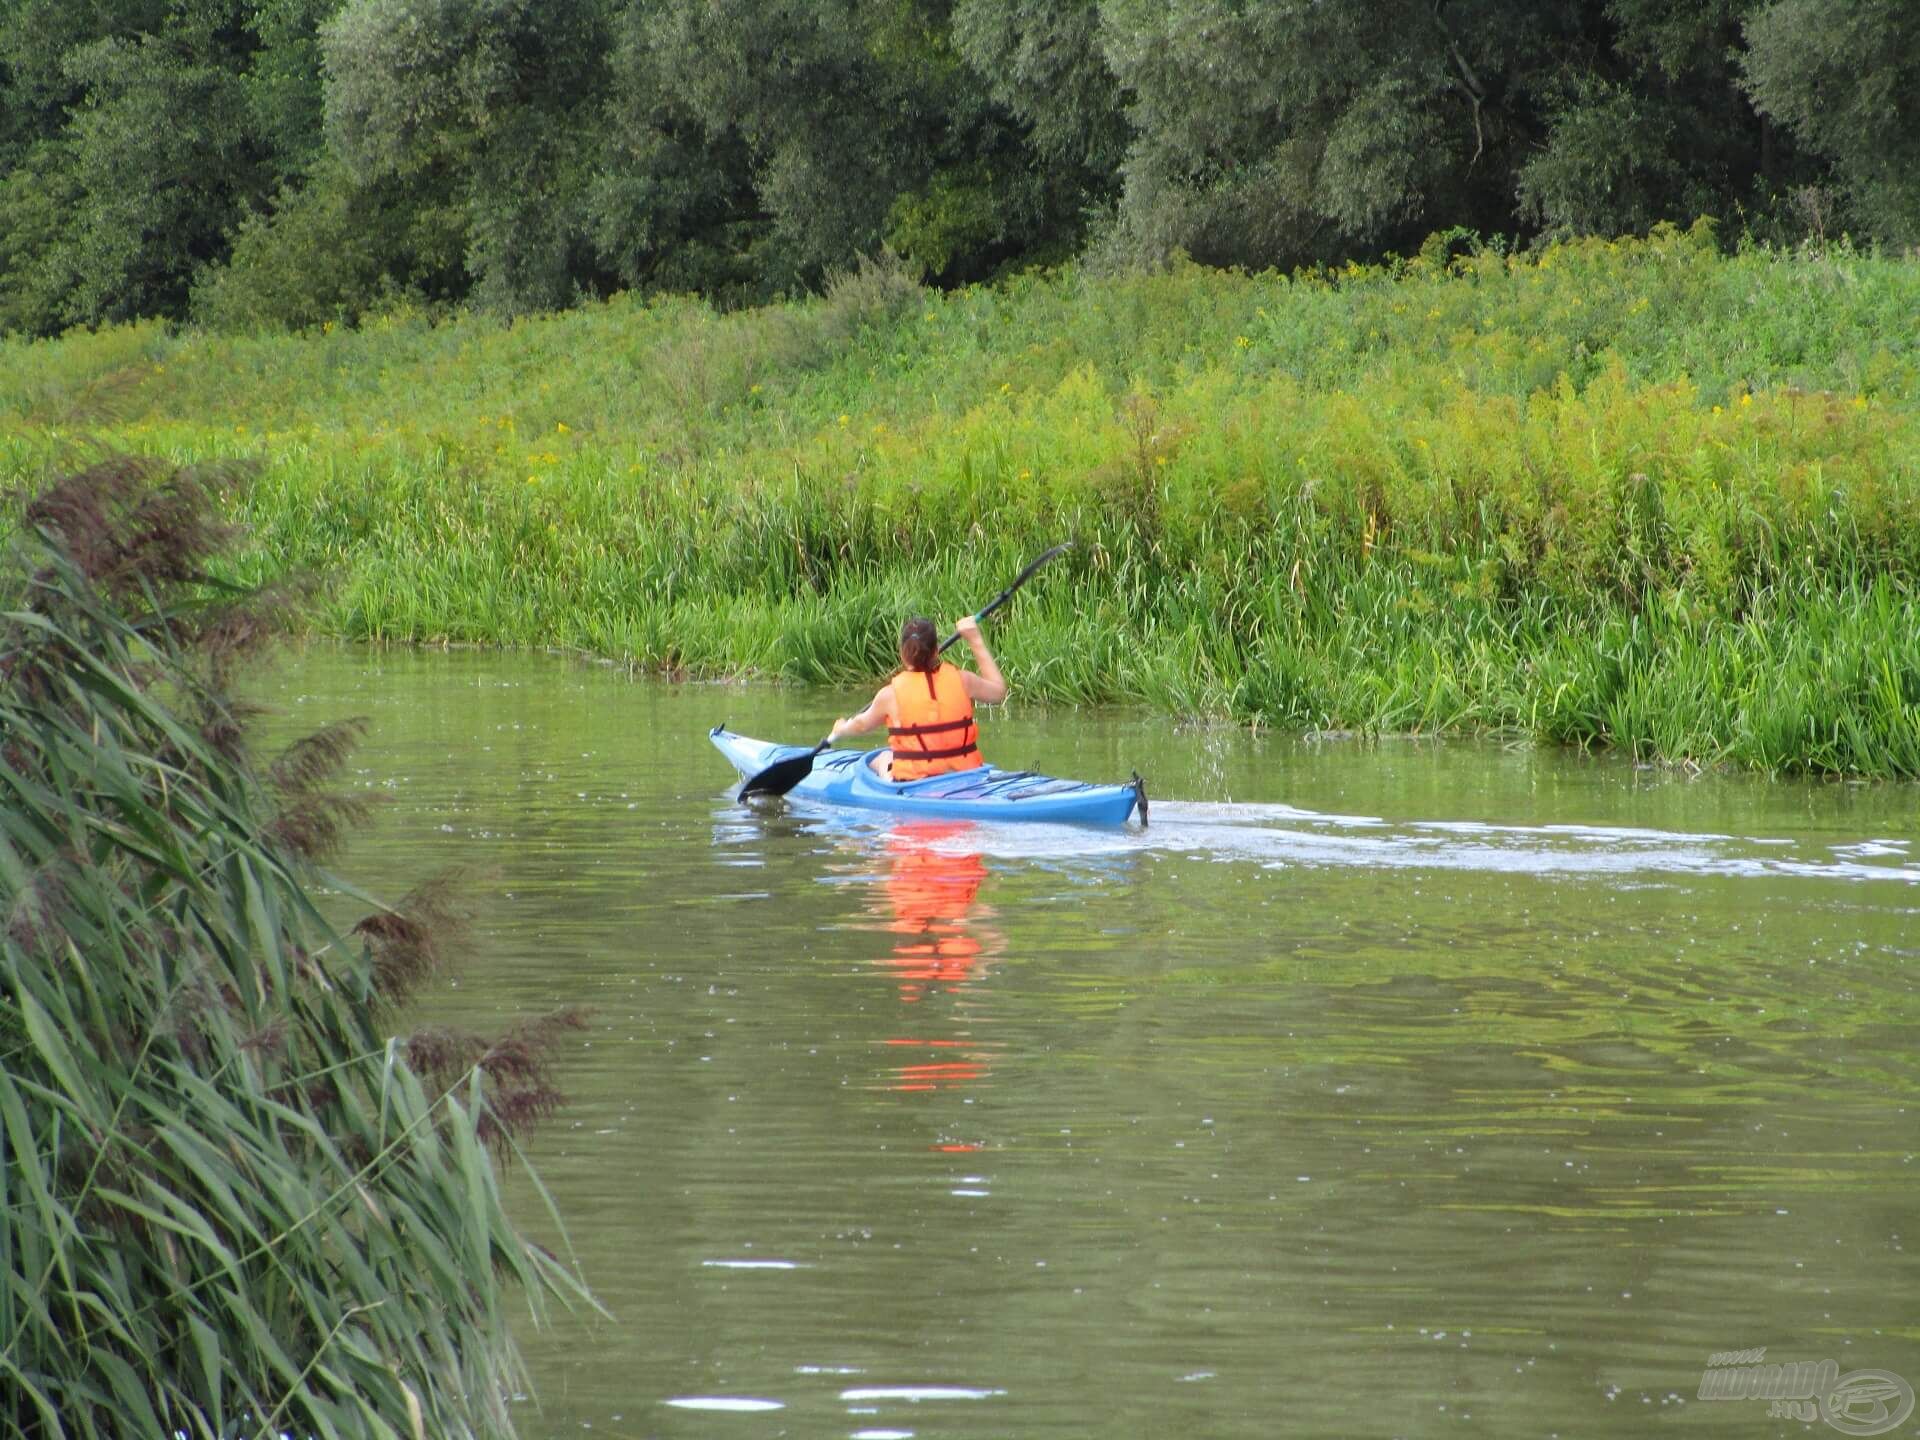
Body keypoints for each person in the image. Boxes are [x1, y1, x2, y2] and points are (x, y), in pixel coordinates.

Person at [827, 615, 1007, 779]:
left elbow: (860, 725)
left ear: (902, 654)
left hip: (915, 782)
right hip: (967, 776)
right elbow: (999, 691)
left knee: (883, 757)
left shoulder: (890, 695)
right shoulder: (963, 680)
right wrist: (975, 639)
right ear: (936, 651)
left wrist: (841, 729)